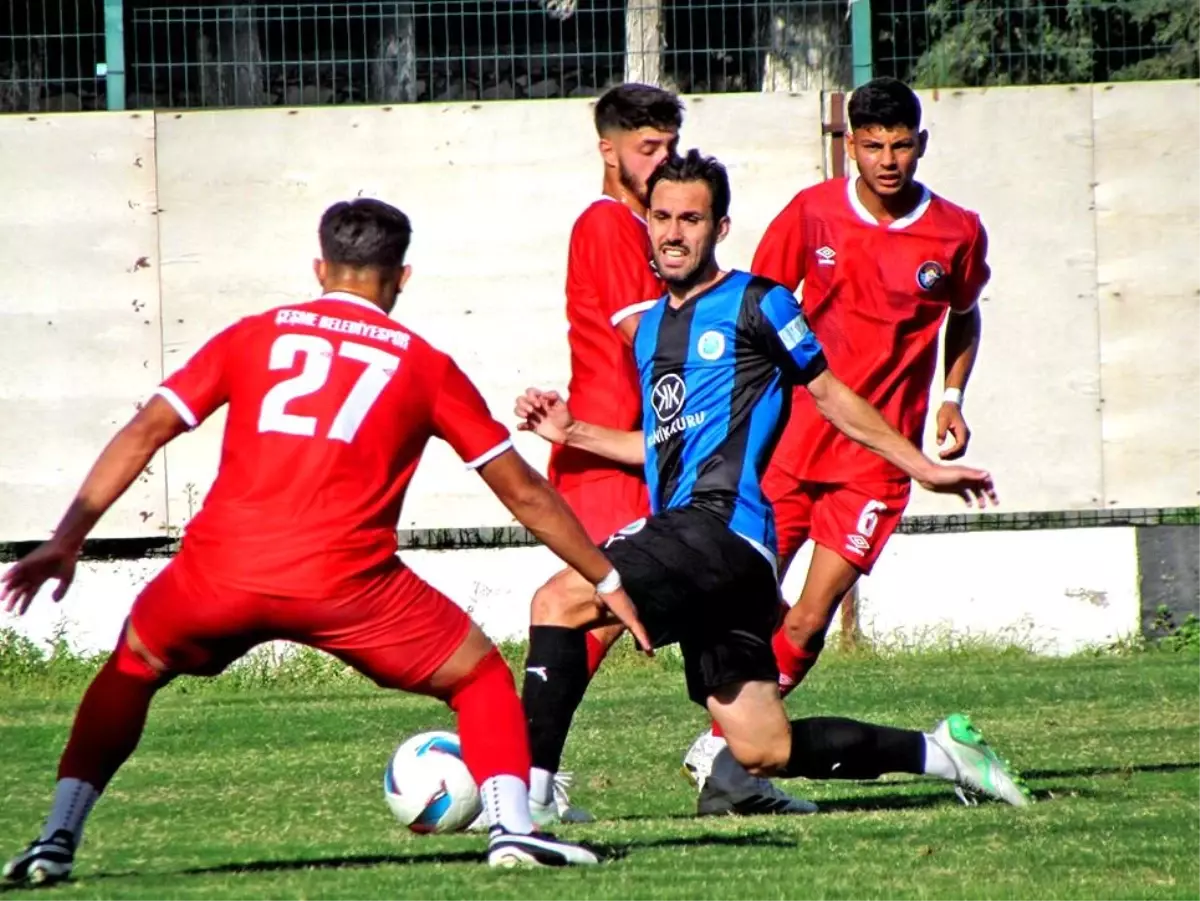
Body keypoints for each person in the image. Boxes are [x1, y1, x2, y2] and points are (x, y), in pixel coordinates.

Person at [0, 198, 650, 886]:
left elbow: (145, 431)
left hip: (219, 572)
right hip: (348, 584)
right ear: (402, 277)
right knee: (481, 676)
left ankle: (55, 839)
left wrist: (66, 538)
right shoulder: (424, 364)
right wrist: (606, 577)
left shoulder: (253, 335)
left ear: (319, 267)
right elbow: (522, 491)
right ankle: (513, 827)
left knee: (131, 667)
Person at [514, 150, 1029, 821]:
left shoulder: (758, 302)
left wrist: (921, 466)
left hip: (720, 529)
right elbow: (664, 446)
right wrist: (572, 431)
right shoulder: (653, 332)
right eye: (662, 217)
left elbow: (832, 394)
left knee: (560, 597)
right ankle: (944, 752)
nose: (673, 232)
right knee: (763, 746)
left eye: (691, 219)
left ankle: (526, 796)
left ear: (720, 227)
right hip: (714, 550)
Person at [681, 77, 997, 814]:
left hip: (877, 463)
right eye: (872, 145)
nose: (888, 160)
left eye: (901, 145)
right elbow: (752, 307)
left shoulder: (956, 231)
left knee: (807, 619)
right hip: (789, 445)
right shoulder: (812, 213)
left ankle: (726, 751)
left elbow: (966, 315)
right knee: (743, 601)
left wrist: (950, 399)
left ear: (921, 144)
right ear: (848, 144)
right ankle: (737, 751)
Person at [522, 82, 682, 823]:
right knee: (588, 609)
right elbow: (649, 338)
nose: (661, 161)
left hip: (631, 453)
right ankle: (524, 776)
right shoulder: (610, 224)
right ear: (608, 150)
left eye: (669, 147)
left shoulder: (644, 226)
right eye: (647, 148)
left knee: (606, 612)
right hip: (609, 458)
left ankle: (529, 774)